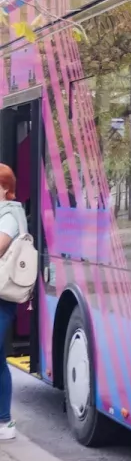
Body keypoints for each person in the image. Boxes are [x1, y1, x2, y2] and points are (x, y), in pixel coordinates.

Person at [0, 163, 27, 440]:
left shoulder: (9, 214)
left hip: (3, 294)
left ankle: (5, 421)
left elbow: (1, 245)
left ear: (5, 187)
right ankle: (4, 421)